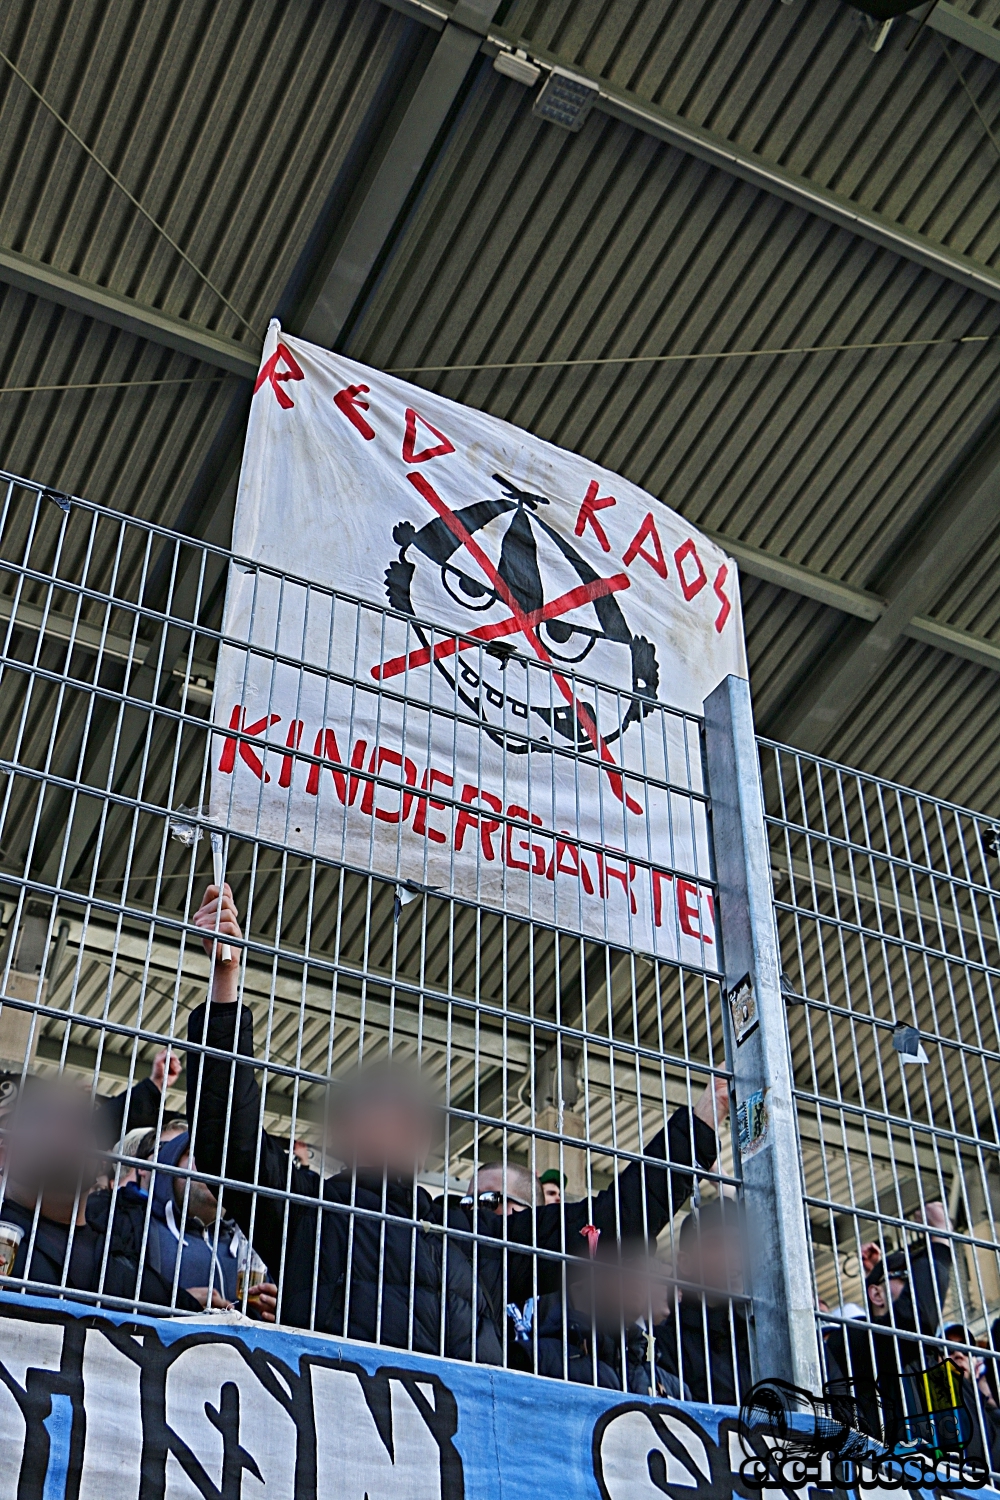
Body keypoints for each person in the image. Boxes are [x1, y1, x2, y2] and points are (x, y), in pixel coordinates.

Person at [186, 883, 726, 1361]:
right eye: (382, 1106)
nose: (403, 1120)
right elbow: (224, 1142)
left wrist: (704, 1118)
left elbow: (607, 1225)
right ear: (344, 1132)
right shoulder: (306, 1210)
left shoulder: (473, 1236)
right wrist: (226, 982)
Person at [0, 1073, 199, 1310]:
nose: (70, 1130)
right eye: (47, 1119)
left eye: (82, 1123)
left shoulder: (123, 1264)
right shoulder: (5, 1243)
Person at [824, 1204, 953, 1442]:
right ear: (875, 1295)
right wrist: (940, 1238)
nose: (917, 1285)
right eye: (908, 1277)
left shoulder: (927, 1359)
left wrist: (884, 1274)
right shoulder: (851, 1336)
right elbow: (912, 1319)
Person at [512, 1237, 685, 1395]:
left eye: (646, 1268)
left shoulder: (674, 1389)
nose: (639, 1278)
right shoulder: (536, 1359)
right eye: (628, 1263)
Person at [654, 1196, 751, 1405]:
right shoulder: (667, 1342)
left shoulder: (761, 1336)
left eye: (737, 1244)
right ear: (685, 1263)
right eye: (716, 1244)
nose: (732, 1255)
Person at [938, 1324, 1000, 1472]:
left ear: (975, 1364)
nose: (958, 1354)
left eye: (965, 1349)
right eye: (948, 1349)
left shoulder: (990, 1413)